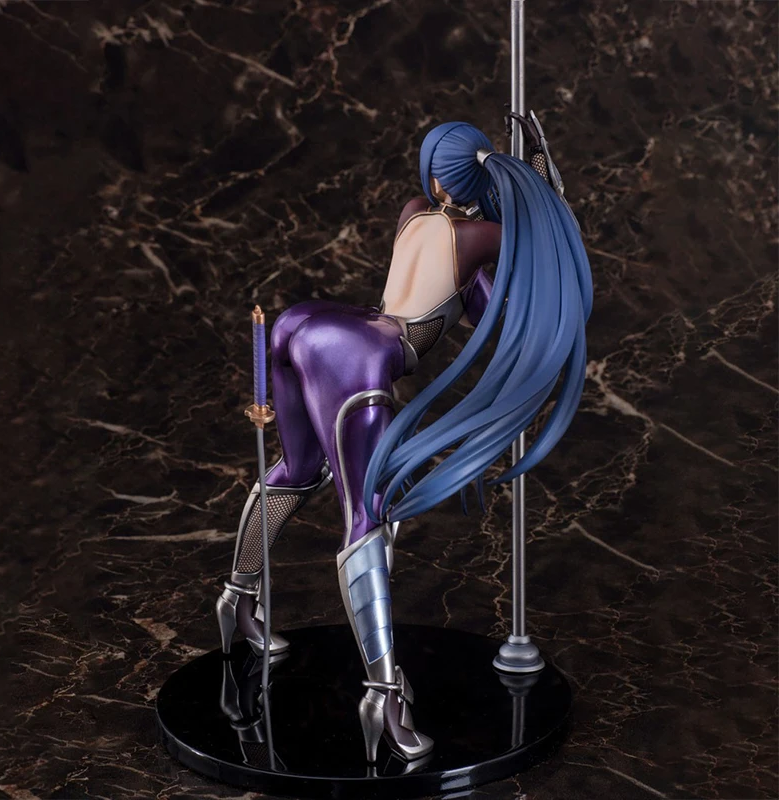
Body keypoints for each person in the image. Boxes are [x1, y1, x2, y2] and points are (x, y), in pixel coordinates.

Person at [216, 119, 593, 763]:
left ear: (435, 178)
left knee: (298, 470)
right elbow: (551, 244)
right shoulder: (482, 236)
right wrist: (542, 178)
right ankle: (383, 696)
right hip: (363, 357)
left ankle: (236, 600)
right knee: (367, 518)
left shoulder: (414, 210)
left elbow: (481, 310)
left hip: (309, 322)